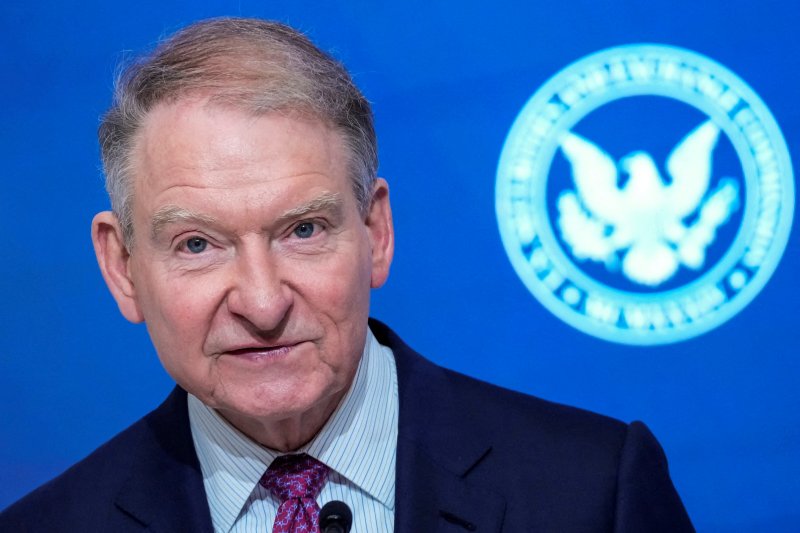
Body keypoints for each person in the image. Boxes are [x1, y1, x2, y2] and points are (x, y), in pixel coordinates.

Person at [0, 17, 694, 532]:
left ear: (376, 232)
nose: (262, 302)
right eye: (198, 244)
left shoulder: (593, 492)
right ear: (122, 267)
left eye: (303, 230)